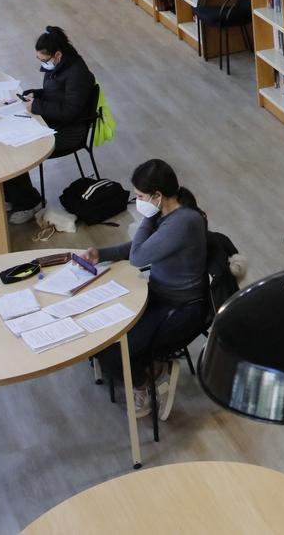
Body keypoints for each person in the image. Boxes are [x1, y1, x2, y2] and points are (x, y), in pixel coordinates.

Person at [86, 159, 210, 421]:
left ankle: (145, 383)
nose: (136, 199)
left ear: (157, 195)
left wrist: (146, 218)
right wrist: (103, 254)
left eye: (140, 195)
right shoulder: (168, 213)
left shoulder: (182, 222)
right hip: (159, 295)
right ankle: (151, 367)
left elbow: (138, 256)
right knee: (101, 334)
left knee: (113, 354)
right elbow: (142, 247)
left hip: (181, 309)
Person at [4, 25, 100, 222]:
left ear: (57, 54)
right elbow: (53, 93)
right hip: (54, 120)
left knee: (18, 147)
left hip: (70, 131)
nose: (42, 64)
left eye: (44, 60)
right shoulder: (58, 65)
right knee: (6, 138)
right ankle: (13, 195)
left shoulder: (77, 74)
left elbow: (70, 112)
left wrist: (38, 106)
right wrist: (35, 94)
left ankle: (30, 202)